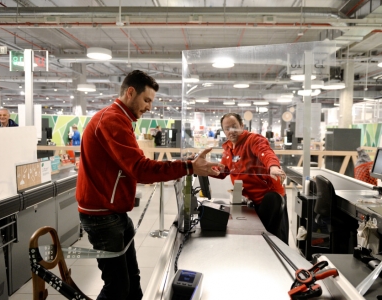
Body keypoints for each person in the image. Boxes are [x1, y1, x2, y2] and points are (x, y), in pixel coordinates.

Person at [76, 70, 223, 300]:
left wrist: (188, 166)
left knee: (132, 282)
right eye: (147, 100)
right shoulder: (112, 120)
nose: (149, 107)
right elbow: (141, 169)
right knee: (117, 288)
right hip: (102, 217)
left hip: (114, 212)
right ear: (130, 92)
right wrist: (188, 167)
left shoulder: (121, 119)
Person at [211, 113, 289, 244]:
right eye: (227, 128)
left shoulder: (253, 140)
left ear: (242, 126)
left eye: (234, 127)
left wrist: (273, 167)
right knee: (258, 240)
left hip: (269, 200)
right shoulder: (229, 148)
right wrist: (202, 168)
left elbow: (266, 153)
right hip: (251, 201)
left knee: (276, 241)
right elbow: (222, 171)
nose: (231, 131)